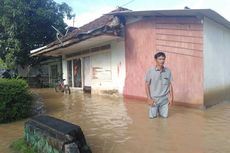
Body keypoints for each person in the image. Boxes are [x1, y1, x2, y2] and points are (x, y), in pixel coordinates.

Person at [144, 52, 174, 118]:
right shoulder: (150, 71)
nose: (162, 61)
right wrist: (149, 98)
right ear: (155, 60)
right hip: (154, 99)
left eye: (163, 59)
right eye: (160, 59)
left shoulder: (168, 71)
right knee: (153, 118)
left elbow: (169, 85)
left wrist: (171, 97)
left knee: (164, 118)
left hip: (164, 99)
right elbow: (146, 85)